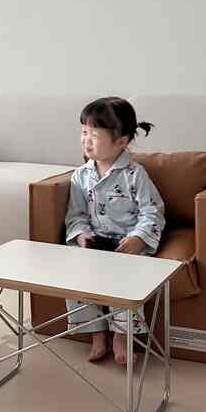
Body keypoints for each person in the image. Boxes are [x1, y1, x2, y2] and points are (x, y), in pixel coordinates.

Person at [65, 96, 165, 364]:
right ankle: (97, 333)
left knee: (126, 279)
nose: (86, 140)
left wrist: (138, 238)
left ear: (121, 141)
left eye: (94, 135)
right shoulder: (80, 176)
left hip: (126, 244)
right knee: (76, 272)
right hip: (95, 241)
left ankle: (121, 335)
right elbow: (75, 215)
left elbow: (152, 211)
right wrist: (81, 235)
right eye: (83, 132)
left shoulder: (135, 174)